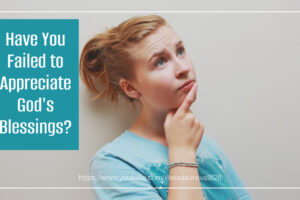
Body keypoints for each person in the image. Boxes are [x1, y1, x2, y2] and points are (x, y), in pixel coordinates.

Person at [80, 14, 251, 200]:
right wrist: (182, 152)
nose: (183, 68)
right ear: (131, 88)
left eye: (180, 51)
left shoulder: (204, 144)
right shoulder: (114, 162)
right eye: (160, 62)